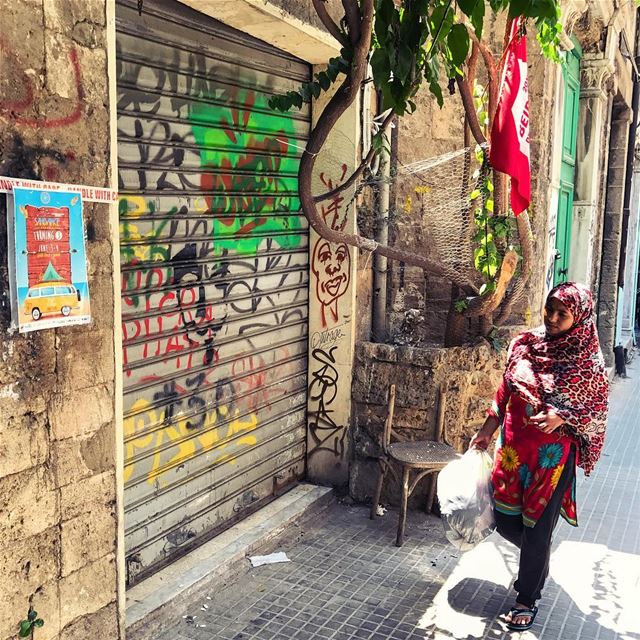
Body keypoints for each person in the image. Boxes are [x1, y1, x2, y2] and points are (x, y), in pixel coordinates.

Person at [471, 282, 609, 631]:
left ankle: (526, 597)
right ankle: (539, 558)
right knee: (504, 520)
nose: (552, 318)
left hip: (552, 459)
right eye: (550, 309)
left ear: (579, 317)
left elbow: (595, 407)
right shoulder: (526, 343)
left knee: (537, 528)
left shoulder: (587, 361)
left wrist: (561, 416)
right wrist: (488, 428)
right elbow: (506, 386)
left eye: (563, 314)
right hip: (513, 452)